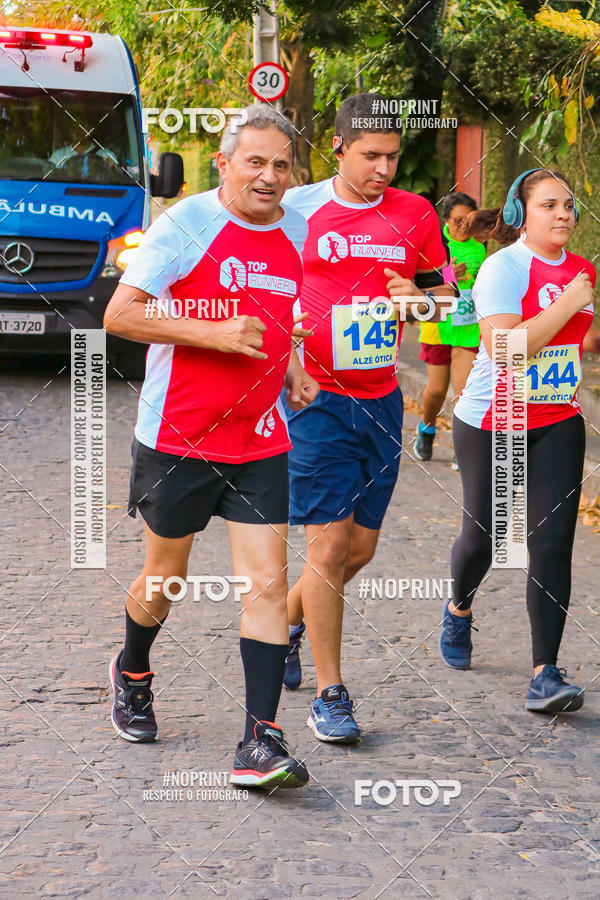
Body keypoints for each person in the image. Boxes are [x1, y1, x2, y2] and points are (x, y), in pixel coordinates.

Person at [103, 105, 320, 789]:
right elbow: (120, 314)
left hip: (259, 437)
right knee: (165, 581)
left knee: (267, 583)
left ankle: (260, 740)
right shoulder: (185, 225)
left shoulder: (296, 227)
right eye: (255, 162)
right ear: (224, 164)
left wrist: (291, 365)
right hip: (178, 437)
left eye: (281, 164)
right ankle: (132, 668)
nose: (269, 176)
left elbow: (279, 311)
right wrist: (214, 334)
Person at [281, 92, 455, 743]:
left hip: (381, 399)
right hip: (314, 398)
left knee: (360, 547)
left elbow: (448, 298)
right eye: (370, 156)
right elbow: (261, 284)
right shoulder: (296, 208)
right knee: (326, 545)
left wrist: (422, 301)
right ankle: (332, 694)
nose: (383, 169)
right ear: (340, 148)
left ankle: (285, 625)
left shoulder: (415, 213)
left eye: (392, 157)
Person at [440, 168, 595, 713]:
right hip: (493, 417)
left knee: (551, 543)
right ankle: (459, 608)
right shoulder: (503, 268)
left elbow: (586, 340)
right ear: (520, 214)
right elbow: (506, 349)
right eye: (549, 204)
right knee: (483, 536)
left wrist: (584, 309)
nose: (563, 214)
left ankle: (545, 673)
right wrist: (570, 301)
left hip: (557, 417)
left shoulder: (581, 271)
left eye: (568, 204)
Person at [415, 192, 486, 465]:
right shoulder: (435, 242)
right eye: (458, 220)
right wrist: (449, 276)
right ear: (446, 219)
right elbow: (418, 281)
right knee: (436, 390)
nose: (464, 226)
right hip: (438, 323)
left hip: (467, 327)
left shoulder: (480, 249)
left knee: (464, 390)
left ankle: (462, 448)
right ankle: (426, 428)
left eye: (469, 220)